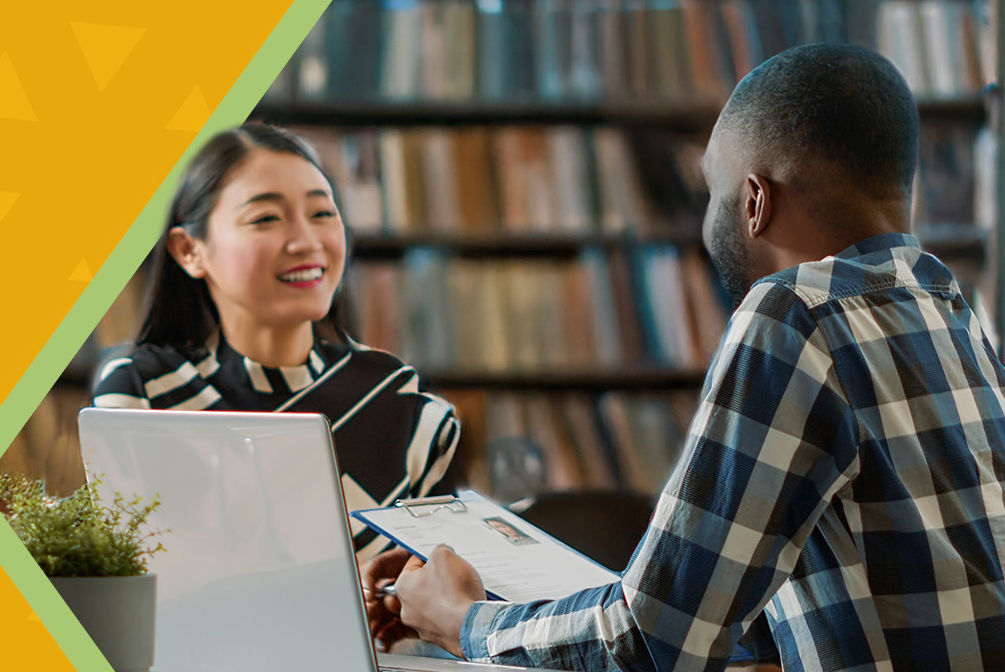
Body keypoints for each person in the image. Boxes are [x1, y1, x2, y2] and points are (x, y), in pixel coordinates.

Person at [363, 44, 1005, 670]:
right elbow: (738, 614)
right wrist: (507, 598)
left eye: (711, 191)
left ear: (755, 201)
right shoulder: (947, 305)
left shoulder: (794, 313)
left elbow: (653, 641)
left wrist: (462, 621)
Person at [91, 123, 460, 562]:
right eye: (265, 218)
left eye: (322, 213)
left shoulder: (401, 399)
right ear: (189, 250)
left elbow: (445, 588)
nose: (307, 241)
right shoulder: (143, 393)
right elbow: (137, 581)